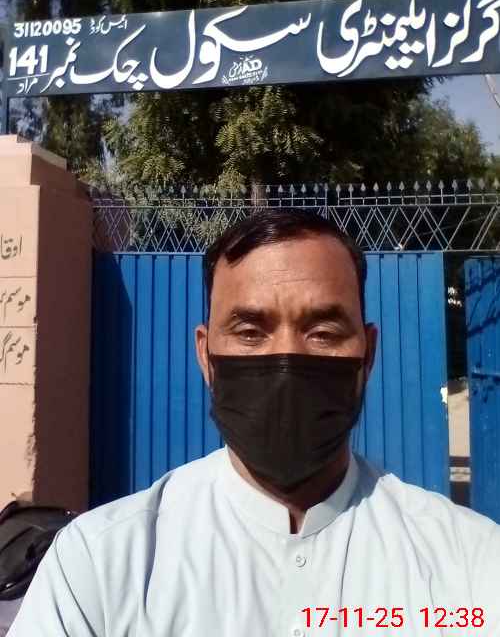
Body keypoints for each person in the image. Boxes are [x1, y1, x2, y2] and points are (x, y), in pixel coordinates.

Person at [8, 209, 500, 636]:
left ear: (367, 354)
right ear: (206, 356)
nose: (286, 359)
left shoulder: (469, 563)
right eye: (249, 332)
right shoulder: (100, 564)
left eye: (323, 332)